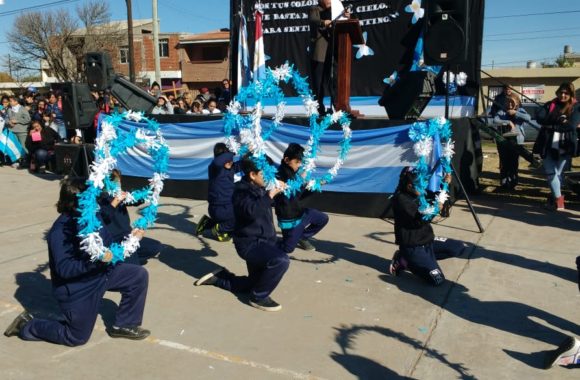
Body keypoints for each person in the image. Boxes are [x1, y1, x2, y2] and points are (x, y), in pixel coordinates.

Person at [3, 177, 151, 346]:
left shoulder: (91, 216)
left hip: (101, 274)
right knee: (76, 337)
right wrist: (98, 261)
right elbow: (64, 269)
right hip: (78, 289)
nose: (95, 201)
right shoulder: (60, 232)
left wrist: (130, 241)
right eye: (90, 198)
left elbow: (108, 238)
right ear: (76, 203)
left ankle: (123, 325)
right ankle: (28, 325)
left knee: (137, 275)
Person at [194, 155, 289, 312]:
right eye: (266, 174)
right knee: (281, 260)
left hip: (265, 242)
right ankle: (258, 297)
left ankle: (220, 278)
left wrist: (284, 191)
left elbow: (277, 205)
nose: (270, 177)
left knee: (253, 283)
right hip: (250, 245)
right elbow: (251, 212)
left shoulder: (260, 187)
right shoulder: (240, 191)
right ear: (252, 175)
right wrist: (270, 195)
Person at [389, 167, 461, 286]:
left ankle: (425, 260)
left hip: (428, 241)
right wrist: (435, 210)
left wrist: (445, 183)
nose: (424, 187)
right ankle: (404, 260)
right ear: (409, 186)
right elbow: (419, 221)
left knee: (458, 247)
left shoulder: (420, 193)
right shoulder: (401, 200)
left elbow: (435, 197)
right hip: (413, 246)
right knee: (437, 279)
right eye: (420, 184)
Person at [99, 169, 162, 264]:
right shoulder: (99, 199)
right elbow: (104, 215)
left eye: (119, 180)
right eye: (116, 181)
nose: (119, 183)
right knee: (133, 264)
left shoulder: (122, 196)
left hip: (128, 235)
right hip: (113, 241)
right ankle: (126, 260)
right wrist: (115, 202)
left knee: (155, 247)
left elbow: (136, 199)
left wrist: (152, 187)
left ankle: (128, 259)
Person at [274, 143, 329, 252]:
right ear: (287, 160)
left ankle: (302, 237)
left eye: (300, 162)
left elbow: (299, 195)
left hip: (300, 213)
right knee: (288, 249)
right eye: (297, 162)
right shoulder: (280, 176)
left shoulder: (294, 173)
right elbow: (290, 196)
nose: (299, 165)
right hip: (289, 219)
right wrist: (303, 184)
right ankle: (279, 243)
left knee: (323, 218)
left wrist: (315, 186)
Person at [532, 82, 579, 210]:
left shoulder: (576, 106)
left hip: (565, 143)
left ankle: (554, 199)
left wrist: (552, 124)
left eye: (566, 93)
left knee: (558, 174)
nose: (563, 95)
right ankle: (559, 202)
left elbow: (571, 125)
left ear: (570, 95)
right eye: (561, 92)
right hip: (547, 141)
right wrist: (559, 120)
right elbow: (539, 117)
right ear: (557, 92)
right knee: (550, 172)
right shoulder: (550, 104)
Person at [196, 143, 240, 242]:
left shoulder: (231, 168)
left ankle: (207, 223)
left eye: (231, 161)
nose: (230, 161)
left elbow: (244, 163)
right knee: (239, 217)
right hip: (219, 207)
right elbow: (218, 162)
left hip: (226, 207)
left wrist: (251, 153)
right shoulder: (215, 168)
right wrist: (233, 152)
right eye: (227, 159)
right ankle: (218, 229)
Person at [492, 93, 532, 190]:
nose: (509, 104)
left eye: (512, 102)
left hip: (516, 141)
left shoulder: (520, 110)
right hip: (503, 141)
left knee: (514, 162)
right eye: (508, 102)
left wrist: (515, 113)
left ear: (517, 103)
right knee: (504, 162)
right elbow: (495, 120)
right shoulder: (502, 112)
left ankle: (513, 182)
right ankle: (504, 183)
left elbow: (528, 118)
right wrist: (507, 122)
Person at [6, 95, 31, 164]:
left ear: (16, 101)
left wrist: (17, 121)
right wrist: (9, 122)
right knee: (14, 146)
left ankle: (27, 160)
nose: (9, 102)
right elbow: (7, 118)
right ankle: (18, 161)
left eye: (11, 101)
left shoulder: (22, 109)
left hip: (21, 131)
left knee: (23, 146)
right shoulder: (9, 109)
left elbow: (28, 119)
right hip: (12, 130)